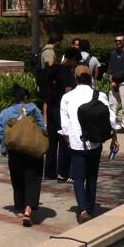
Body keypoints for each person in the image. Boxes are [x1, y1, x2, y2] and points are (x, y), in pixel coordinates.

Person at [60, 68, 121, 222]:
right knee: (92, 177)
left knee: (79, 178)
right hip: (96, 142)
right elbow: (111, 119)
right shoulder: (99, 95)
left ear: (76, 78)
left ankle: (83, 210)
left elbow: (65, 125)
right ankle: (91, 208)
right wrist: (114, 137)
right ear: (90, 78)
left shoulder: (67, 97)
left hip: (76, 143)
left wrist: (68, 138)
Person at [0, 84, 46, 226]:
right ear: (26, 97)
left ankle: (19, 208)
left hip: (15, 152)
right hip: (33, 152)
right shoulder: (33, 109)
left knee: (17, 180)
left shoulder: (6, 112)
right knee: (32, 180)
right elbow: (43, 128)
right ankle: (29, 208)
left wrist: (5, 144)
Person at [42, 48, 79, 182]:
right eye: (76, 61)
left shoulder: (53, 70)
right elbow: (68, 91)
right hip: (61, 110)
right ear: (71, 59)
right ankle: (63, 172)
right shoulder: (66, 73)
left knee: (51, 143)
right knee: (64, 141)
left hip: (51, 108)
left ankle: (49, 171)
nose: (76, 64)